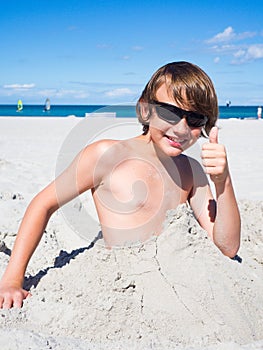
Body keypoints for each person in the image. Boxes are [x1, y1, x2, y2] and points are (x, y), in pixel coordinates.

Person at [0, 61, 241, 309]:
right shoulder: (107, 155)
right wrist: (12, 278)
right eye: (170, 112)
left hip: (176, 293)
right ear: (145, 109)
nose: (181, 129)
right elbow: (43, 204)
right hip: (121, 290)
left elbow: (227, 247)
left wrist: (223, 182)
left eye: (194, 119)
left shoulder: (192, 172)